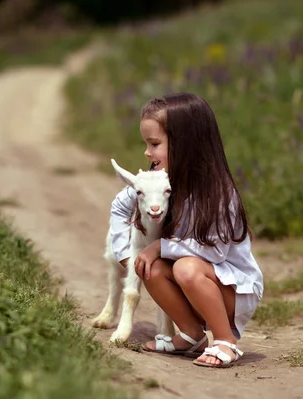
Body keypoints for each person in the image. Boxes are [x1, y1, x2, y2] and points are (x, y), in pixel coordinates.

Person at [108, 92, 263, 368]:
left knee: (184, 268)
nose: (147, 152)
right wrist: (127, 256)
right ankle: (192, 334)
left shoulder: (217, 192)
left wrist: (159, 247)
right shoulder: (159, 185)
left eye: (154, 144)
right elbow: (121, 208)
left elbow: (214, 253)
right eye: (147, 144)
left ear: (186, 145)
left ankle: (225, 340)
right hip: (194, 286)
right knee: (149, 267)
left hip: (233, 289)